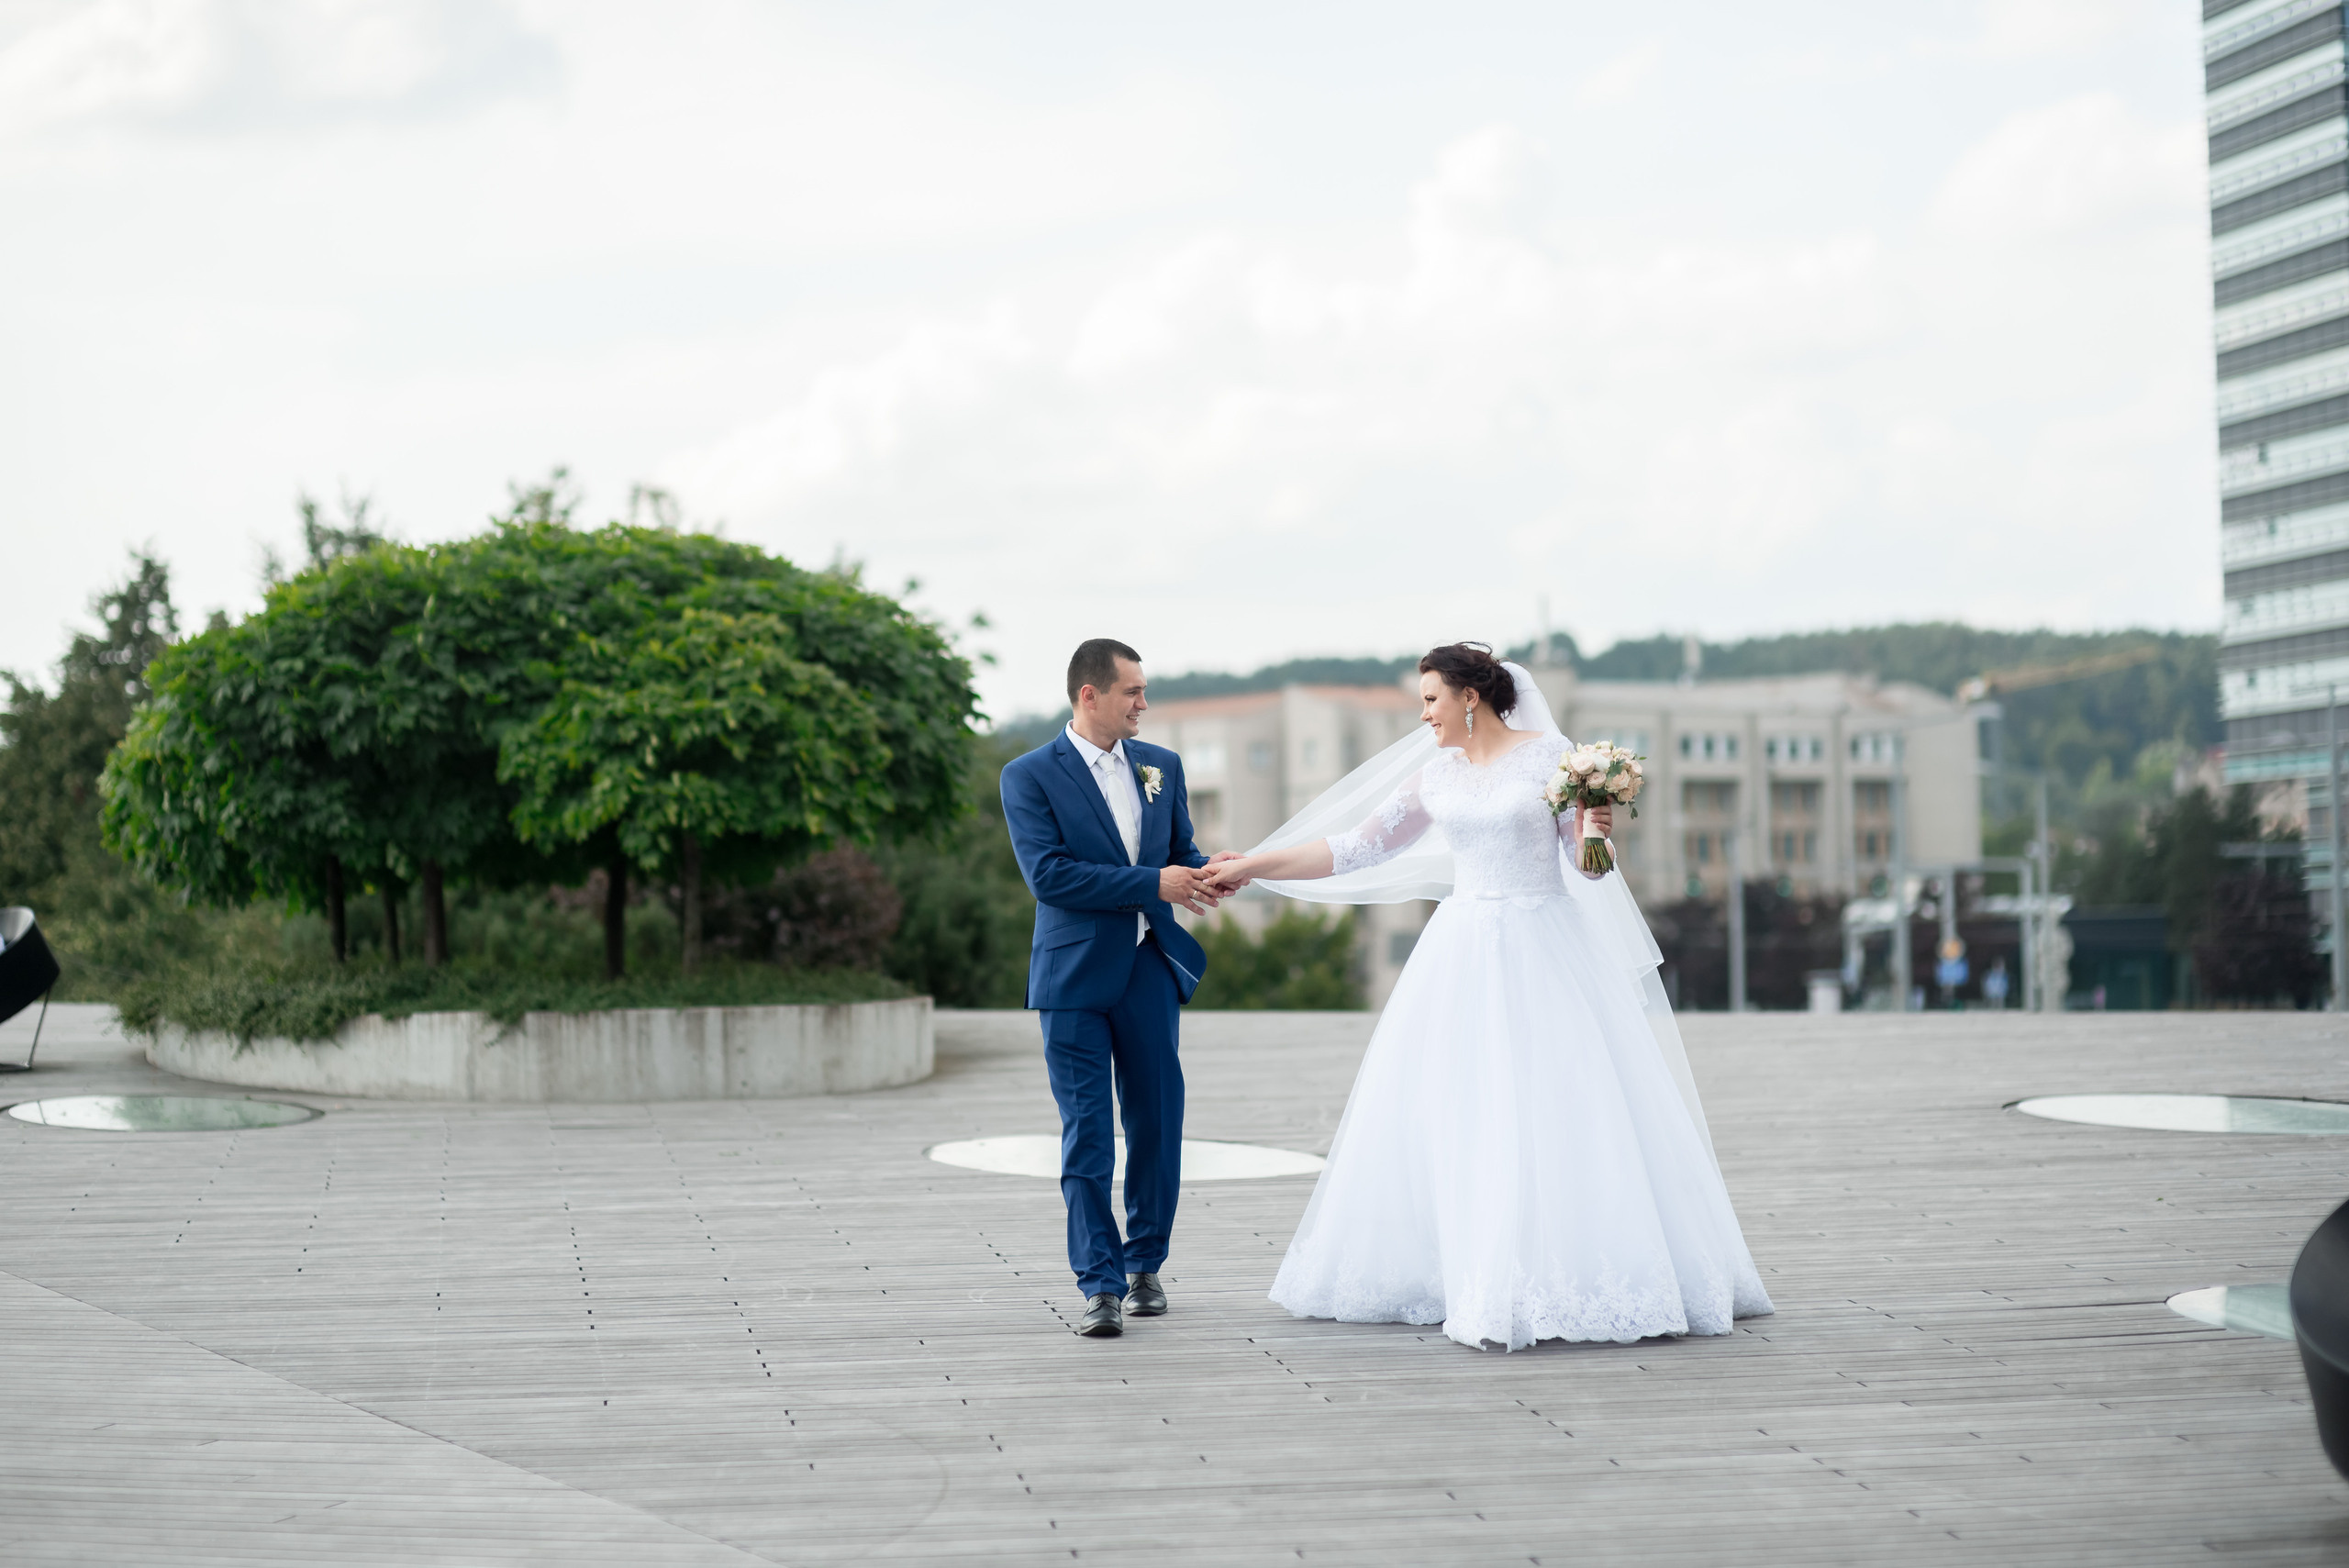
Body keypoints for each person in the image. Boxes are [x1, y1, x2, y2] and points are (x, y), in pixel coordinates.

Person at [1205, 644, 1774, 1351]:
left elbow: (1589, 872)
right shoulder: (1436, 775)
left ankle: (1564, 1269)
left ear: (1471, 696)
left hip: (1545, 946)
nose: (1425, 714)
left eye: (1431, 699)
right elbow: (1356, 847)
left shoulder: (1552, 759)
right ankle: (1468, 1267)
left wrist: (1599, 831)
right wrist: (1252, 864)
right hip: (1462, 951)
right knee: (1461, 1105)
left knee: (1560, 1107)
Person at [1000, 639, 1240, 1340]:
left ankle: (1145, 1266)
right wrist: (1153, 883)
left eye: (1143, 690)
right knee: (1088, 1136)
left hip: (1148, 968)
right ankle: (1098, 1284)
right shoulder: (1028, 775)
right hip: (1072, 977)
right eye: (1132, 691)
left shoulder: (1162, 766)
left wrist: (1212, 869)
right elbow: (1050, 876)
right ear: (1089, 695)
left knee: (1158, 1122)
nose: (1144, 703)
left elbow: (1178, 858)